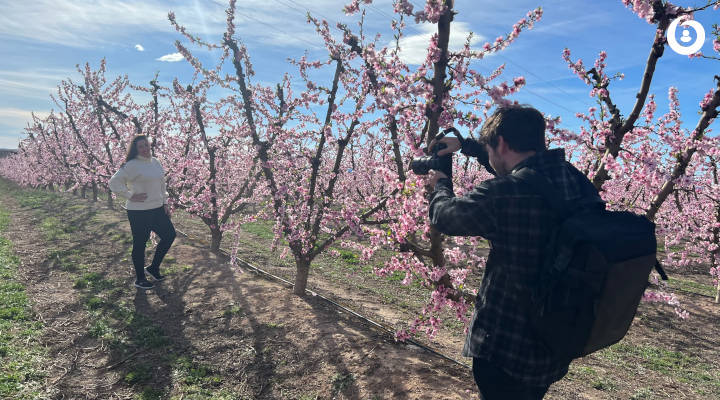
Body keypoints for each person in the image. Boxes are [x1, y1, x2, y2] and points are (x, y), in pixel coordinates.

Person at [427, 105, 600, 399]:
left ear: (503, 143)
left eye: (490, 147)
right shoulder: (574, 180)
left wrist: (440, 186)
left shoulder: (504, 194)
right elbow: (521, 172)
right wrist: (467, 146)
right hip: (553, 342)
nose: (490, 157)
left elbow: (444, 216)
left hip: (506, 348)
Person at [109, 135, 176, 290]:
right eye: (141, 146)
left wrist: (165, 202)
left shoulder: (156, 162)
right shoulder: (131, 165)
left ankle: (153, 268)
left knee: (170, 235)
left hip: (158, 209)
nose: (145, 149)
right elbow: (113, 183)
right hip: (139, 211)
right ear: (135, 149)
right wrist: (130, 195)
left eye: (146, 145)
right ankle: (140, 279)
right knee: (140, 243)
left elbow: (162, 184)